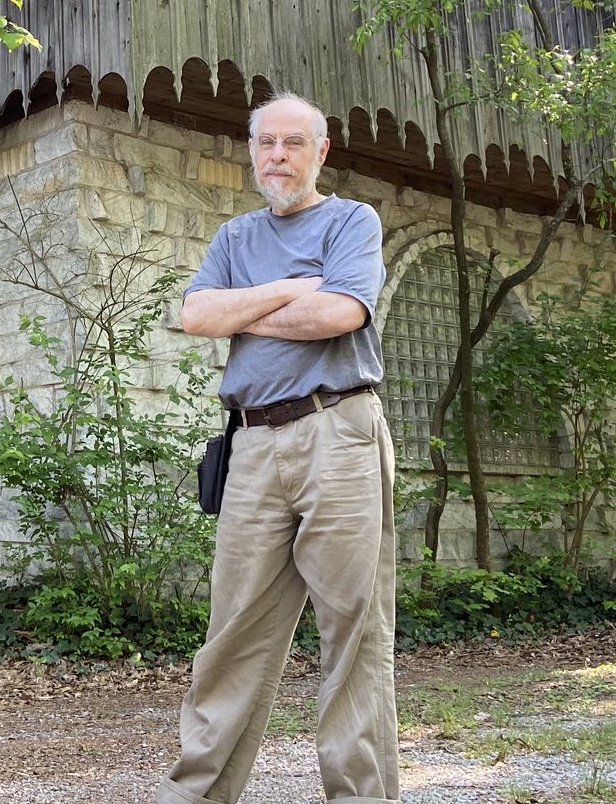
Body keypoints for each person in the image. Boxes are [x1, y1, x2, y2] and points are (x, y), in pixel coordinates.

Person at [156, 93, 398, 804]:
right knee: (230, 635)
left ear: (321, 152)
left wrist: (249, 306)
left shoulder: (353, 220)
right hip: (254, 444)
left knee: (353, 631)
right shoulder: (235, 237)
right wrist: (287, 290)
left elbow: (342, 311)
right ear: (252, 151)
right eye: (266, 143)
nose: (278, 156)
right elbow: (197, 314)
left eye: (294, 143)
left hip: (340, 431)